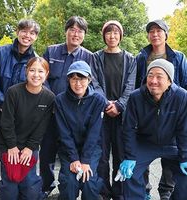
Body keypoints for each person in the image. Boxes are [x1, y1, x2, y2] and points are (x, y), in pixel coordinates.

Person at [40, 16, 94, 196]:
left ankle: (74, 182)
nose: (76, 34)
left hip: (74, 114)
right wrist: (52, 101)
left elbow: (92, 84)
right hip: (50, 110)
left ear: (84, 35)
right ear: (66, 31)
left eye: (80, 31)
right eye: (72, 29)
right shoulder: (51, 51)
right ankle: (46, 186)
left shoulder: (89, 56)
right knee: (47, 150)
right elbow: (42, 78)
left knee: (68, 147)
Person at [119, 58, 187, 200]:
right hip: (146, 143)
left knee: (185, 175)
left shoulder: (181, 97)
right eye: (150, 75)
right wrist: (130, 156)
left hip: (172, 143)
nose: (153, 80)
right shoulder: (136, 97)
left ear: (169, 81)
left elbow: (184, 130)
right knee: (130, 174)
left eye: (159, 76)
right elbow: (128, 129)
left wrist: (184, 157)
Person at [0, 18, 40, 199]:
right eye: (24, 31)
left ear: (36, 37)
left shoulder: (35, 60)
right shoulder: (0, 53)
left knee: (12, 161)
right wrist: (3, 104)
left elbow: (35, 86)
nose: (28, 35)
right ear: (17, 32)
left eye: (32, 33)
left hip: (18, 119)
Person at [136, 19, 187, 200]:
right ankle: (146, 191)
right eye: (151, 31)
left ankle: (166, 192)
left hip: (173, 112)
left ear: (166, 34)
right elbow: (136, 86)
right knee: (143, 153)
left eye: (159, 31)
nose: (155, 34)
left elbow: (185, 84)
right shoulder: (141, 56)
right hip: (148, 113)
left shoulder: (178, 57)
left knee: (170, 156)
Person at [0, 57, 55, 200]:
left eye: (40, 71)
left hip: (29, 146)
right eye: (32, 70)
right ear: (26, 71)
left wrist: (30, 147)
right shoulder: (13, 92)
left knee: (30, 189)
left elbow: (42, 126)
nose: (36, 74)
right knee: (11, 187)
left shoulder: (49, 97)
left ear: (46, 74)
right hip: (8, 144)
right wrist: (12, 146)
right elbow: (6, 121)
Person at [93, 20, 137, 200]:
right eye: (108, 33)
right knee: (102, 156)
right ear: (104, 35)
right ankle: (104, 192)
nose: (112, 36)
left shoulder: (130, 59)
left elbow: (130, 86)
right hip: (102, 114)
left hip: (122, 115)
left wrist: (119, 105)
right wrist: (105, 103)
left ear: (121, 35)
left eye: (115, 33)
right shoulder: (96, 57)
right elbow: (93, 82)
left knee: (121, 153)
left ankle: (119, 192)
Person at [55, 60, 106, 200]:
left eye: (82, 78)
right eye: (74, 79)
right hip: (68, 149)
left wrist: (84, 160)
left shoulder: (98, 100)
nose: (78, 84)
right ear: (69, 80)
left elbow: (94, 133)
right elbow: (63, 132)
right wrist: (74, 158)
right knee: (69, 183)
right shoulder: (60, 100)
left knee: (88, 181)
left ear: (89, 79)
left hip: (91, 149)